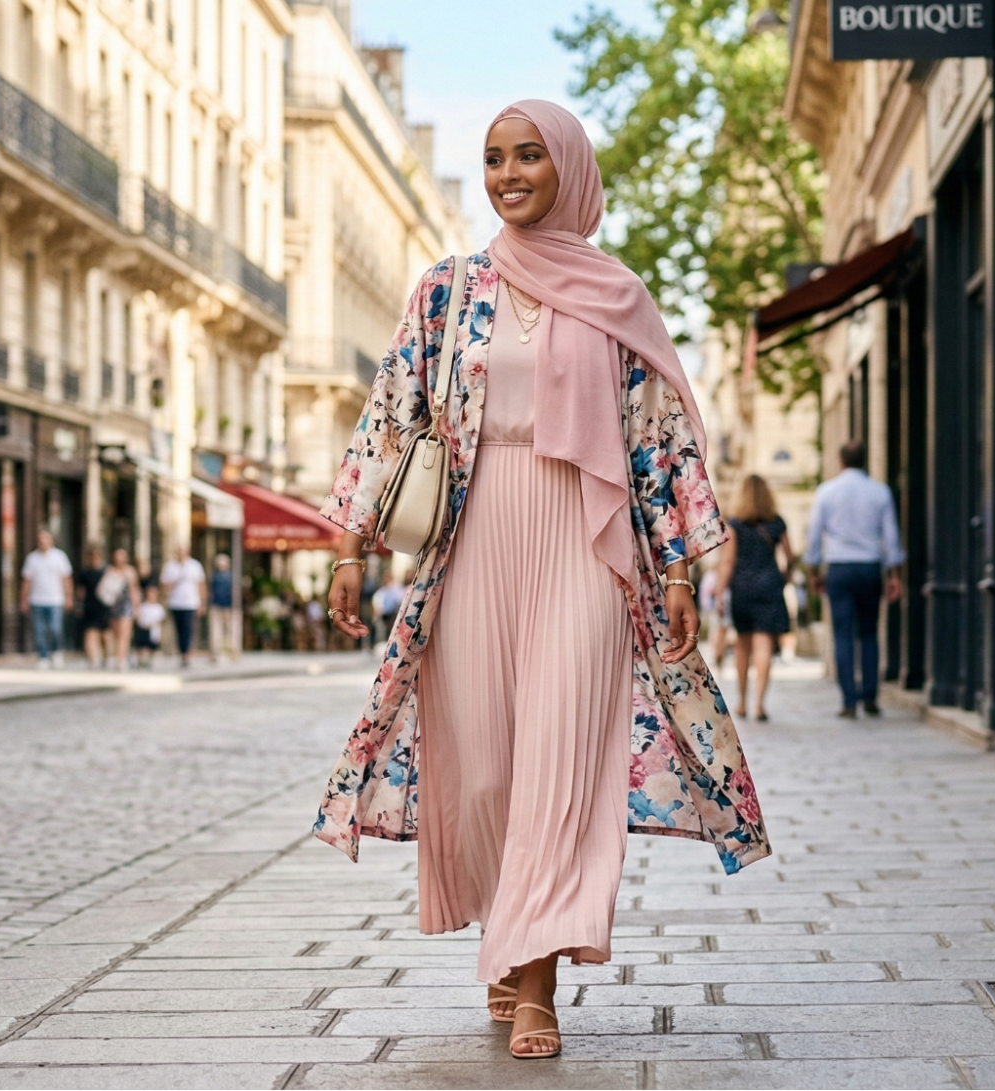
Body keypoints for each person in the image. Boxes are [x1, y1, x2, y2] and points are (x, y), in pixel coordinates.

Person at [318, 101, 770, 1060]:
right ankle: (507, 924)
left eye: (529, 155)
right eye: (493, 158)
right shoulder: (447, 290)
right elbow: (391, 417)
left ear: (568, 166)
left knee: (560, 764)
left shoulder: (617, 296)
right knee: (480, 769)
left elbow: (661, 438)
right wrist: (350, 546)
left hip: (587, 544)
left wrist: (681, 567)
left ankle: (535, 983)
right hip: (472, 542)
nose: (509, 173)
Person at [806, 441, 905, 718]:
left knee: (843, 635)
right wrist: (894, 574)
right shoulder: (880, 491)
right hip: (870, 568)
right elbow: (891, 536)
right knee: (869, 632)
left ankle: (849, 700)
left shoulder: (826, 492)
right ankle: (870, 696)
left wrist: (814, 572)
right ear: (865, 461)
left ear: (841, 461)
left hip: (839, 568)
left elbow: (814, 536)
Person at [713, 475, 795, 722]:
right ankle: (759, 704)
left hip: (742, 588)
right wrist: (784, 576)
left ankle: (741, 702)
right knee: (764, 647)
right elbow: (790, 557)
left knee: (743, 646)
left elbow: (728, 562)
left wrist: (719, 592)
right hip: (770, 586)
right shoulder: (777, 522)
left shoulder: (735, 524)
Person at [20, 529, 73, 669]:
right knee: (39, 631)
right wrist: (24, 599)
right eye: (40, 539)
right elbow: (27, 580)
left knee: (56, 629)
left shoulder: (60, 557)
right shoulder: (32, 558)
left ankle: (56, 652)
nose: (43, 542)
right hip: (37, 599)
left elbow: (66, 578)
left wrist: (69, 597)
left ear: (51, 541)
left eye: (45, 539)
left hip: (56, 599)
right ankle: (43, 656)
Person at [158, 545, 206, 668]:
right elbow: (163, 586)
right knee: (179, 629)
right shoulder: (170, 566)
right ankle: (181, 653)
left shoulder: (195, 566)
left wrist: (202, 603)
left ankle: (187, 655)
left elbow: (201, 585)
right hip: (175, 603)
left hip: (191, 603)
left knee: (188, 629)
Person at [100, 547, 139, 670]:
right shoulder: (110, 571)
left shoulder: (130, 572)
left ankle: (121, 660)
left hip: (126, 605)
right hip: (113, 605)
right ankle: (115, 657)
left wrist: (137, 607)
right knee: (115, 634)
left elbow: (134, 590)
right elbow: (103, 589)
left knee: (125, 634)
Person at [75, 545, 110, 669]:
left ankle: (107, 658)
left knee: (104, 635)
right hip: (90, 606)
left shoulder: (106, 571)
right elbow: (81, 591)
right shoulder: (85, 573)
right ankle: (93, 660)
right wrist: (79, 606)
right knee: (90, 633)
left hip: (104, 606)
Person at [208, 553, 240, 662]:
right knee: (217, 631)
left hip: (229, 606)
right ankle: (216, 653)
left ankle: (233, 653)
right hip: (218, 605)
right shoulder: (215, 576)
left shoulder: (231, 577)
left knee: (231, 631)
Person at [369, 572, 406, 652]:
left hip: (394, 613)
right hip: (384, 614)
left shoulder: (397, 589)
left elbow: (400, 599)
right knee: (381, 630)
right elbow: (377, 600)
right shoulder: (382, 591)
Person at [132, 584, 165, 669]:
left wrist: (152, 624)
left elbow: (160, 619)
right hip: (143, 630)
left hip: (153, 631)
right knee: (142, 647)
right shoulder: (143, 606)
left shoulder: (158, 607)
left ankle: (150, 662)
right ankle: (141, 662)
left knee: (151, 647)